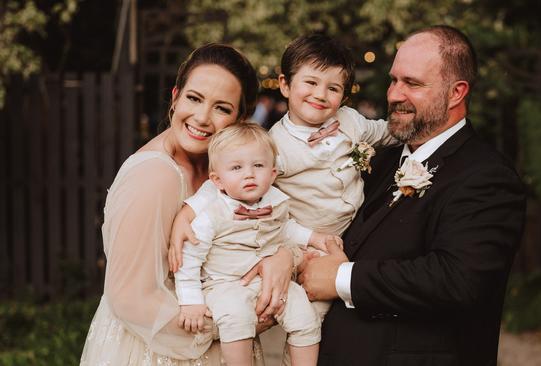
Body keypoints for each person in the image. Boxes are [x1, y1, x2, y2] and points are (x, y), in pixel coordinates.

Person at [297, 25, 527, 365]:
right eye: (394, 80)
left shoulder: (487, 177)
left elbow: (458, 279)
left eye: (412, 84)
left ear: (456, 93)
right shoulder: (382, 158)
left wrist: (341, 278)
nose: (394, 95)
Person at [80, 43, 294, 365]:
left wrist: (283, 256)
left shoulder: (225, 172)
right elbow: (130, 298)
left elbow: (262, 229)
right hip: (154, 349)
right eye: (194, 98)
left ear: (240, 119)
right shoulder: (155, 175)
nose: (202, 118)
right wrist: (229, 324)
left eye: (222, 108)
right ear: (175, 95)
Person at [169, 33, 397, 322]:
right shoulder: (274, 145)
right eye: (311, 83)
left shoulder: (351, 121)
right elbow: (229, 183)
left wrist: (418, 130)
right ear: (285, 85)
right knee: (310, 319)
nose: (320, 94)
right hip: (302, 243)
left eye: (333, 88)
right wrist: (186, 214)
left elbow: (385, 132)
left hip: (353, 235)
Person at [175, 123, 336, 366]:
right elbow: (190, 256)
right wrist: (191, 301)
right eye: (236, 167)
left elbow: (285, 228)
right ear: (218, 180)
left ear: (272, 174)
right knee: (236, 318)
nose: (249, 174)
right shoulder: (211, 215)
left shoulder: (276, 202)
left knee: (304, 314)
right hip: (224, 284)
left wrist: (314, 238)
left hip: (268, 282)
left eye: (258, 166)